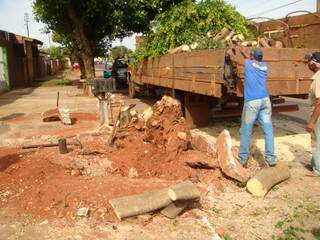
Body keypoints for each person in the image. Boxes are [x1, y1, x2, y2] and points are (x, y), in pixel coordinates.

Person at [227, 47, 277, 167]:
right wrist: (245, 54)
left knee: (246, 129)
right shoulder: (264, 65)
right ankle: (271, 159)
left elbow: (235, 60)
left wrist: (230, 54)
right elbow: (251, 62)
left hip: (252, 102)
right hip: (265, 100)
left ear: (252, 57)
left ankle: (243, 158)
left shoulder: (249, 64)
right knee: (268, 130)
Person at [305, 52, 320, 177]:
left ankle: (318, 170)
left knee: (316, 141)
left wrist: (311, 121)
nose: (308, 64)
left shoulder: (318, 78)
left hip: (319, 115)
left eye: (309, 62)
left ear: (314, 63)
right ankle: (314, 162)